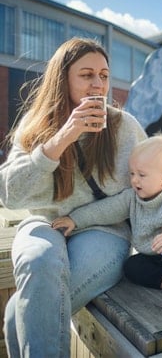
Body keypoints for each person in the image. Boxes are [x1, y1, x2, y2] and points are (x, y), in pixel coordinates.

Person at [0, 37, 147, 357]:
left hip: (105, 231)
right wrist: (62, 137)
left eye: (104, 76)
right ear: (63, 77)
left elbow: (144, 189)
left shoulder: (124, 127)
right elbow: (10, 195)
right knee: (39, 260)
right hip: (44, 222)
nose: (98, 84)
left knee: (15, 316)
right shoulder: (36, 124)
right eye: (87, 75)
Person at [53, 135, 162, 307]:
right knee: (132, 266)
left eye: (142, 175)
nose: (134, 180)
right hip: (152, 257)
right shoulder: (131, 198)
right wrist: (74, 219)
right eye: (132, 173)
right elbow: (105, 210)